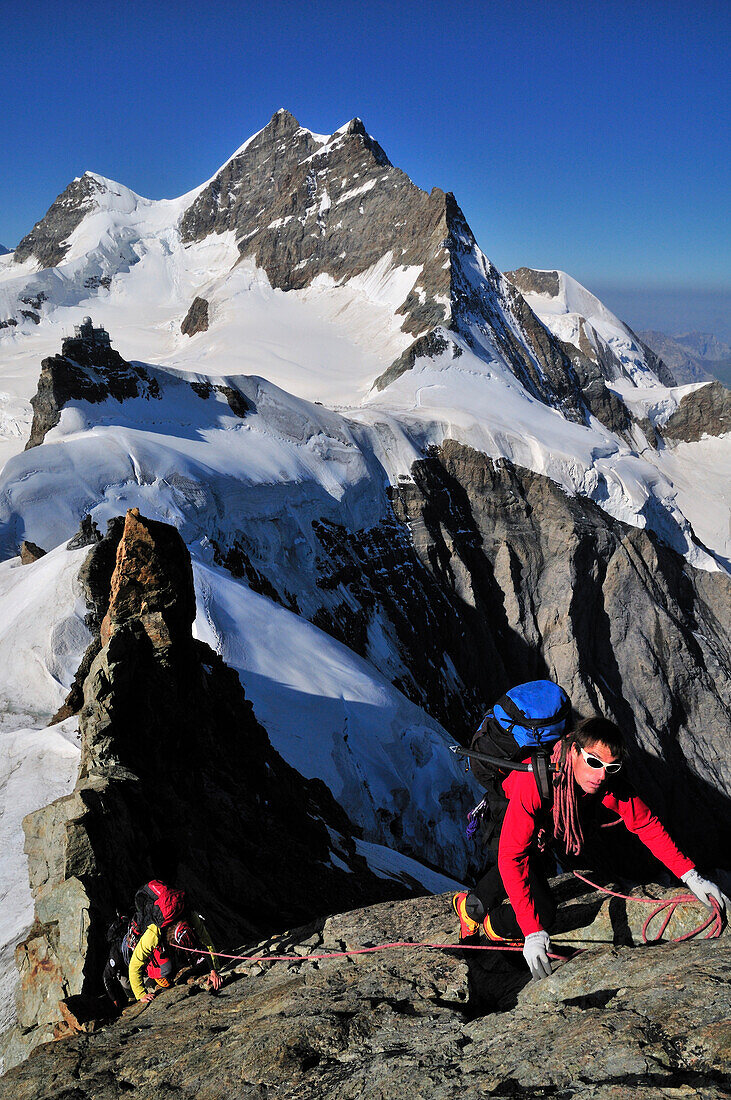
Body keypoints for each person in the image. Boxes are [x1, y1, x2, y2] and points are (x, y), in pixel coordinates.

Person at [453, 714, 729, 980]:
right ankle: (496, 928)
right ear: (573, 751)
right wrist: (533, 932)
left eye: (612, 768)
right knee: (544, 912)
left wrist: (691, 876)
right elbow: (513, 857)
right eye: (594, 762)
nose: (601, 775)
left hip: (537, 827)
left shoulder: (604, 783)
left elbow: (645, 824)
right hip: (506, 817)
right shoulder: (535, 781)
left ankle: (470, 907)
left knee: (529, 867)